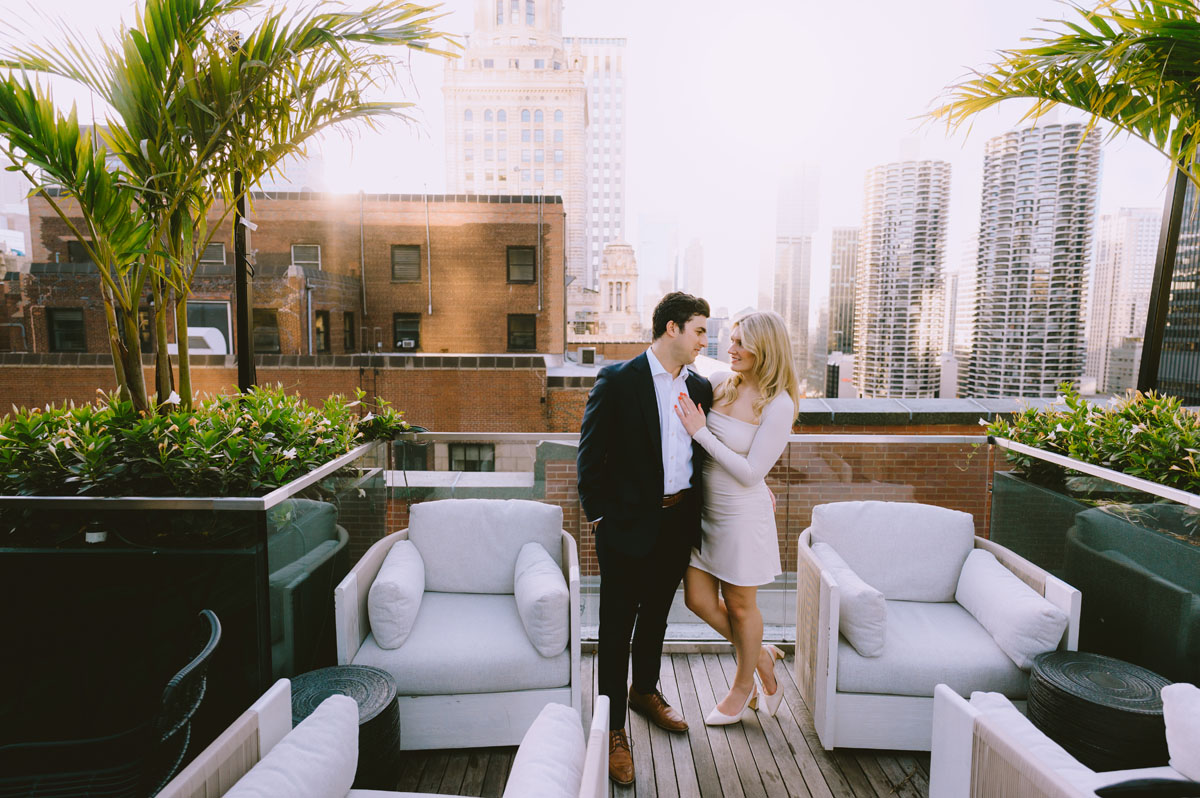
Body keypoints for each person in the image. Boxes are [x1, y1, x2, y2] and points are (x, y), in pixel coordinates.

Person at [576, 291, 712, 786]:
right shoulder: (618, 379)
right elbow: (589, 458)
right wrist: (599, 520)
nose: (705, 339)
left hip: (677, 524)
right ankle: (613, 729)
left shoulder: (700, 386)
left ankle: (645, 691)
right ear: (672, 328)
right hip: (625, 527)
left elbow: (700, 458)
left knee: (656, 615)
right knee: (615, 630)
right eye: (699, 329)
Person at [674, 310, 799, 725]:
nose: (731, 349)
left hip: (743, 518)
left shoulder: (779, 404)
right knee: (697, 599)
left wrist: (701, 433)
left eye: (741, 343)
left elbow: (751, 472)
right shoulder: (718, 382)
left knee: (742, 607)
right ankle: (760, 655)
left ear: (766, 348)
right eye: (731, 340)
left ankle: (744, 686)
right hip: (706, 513)